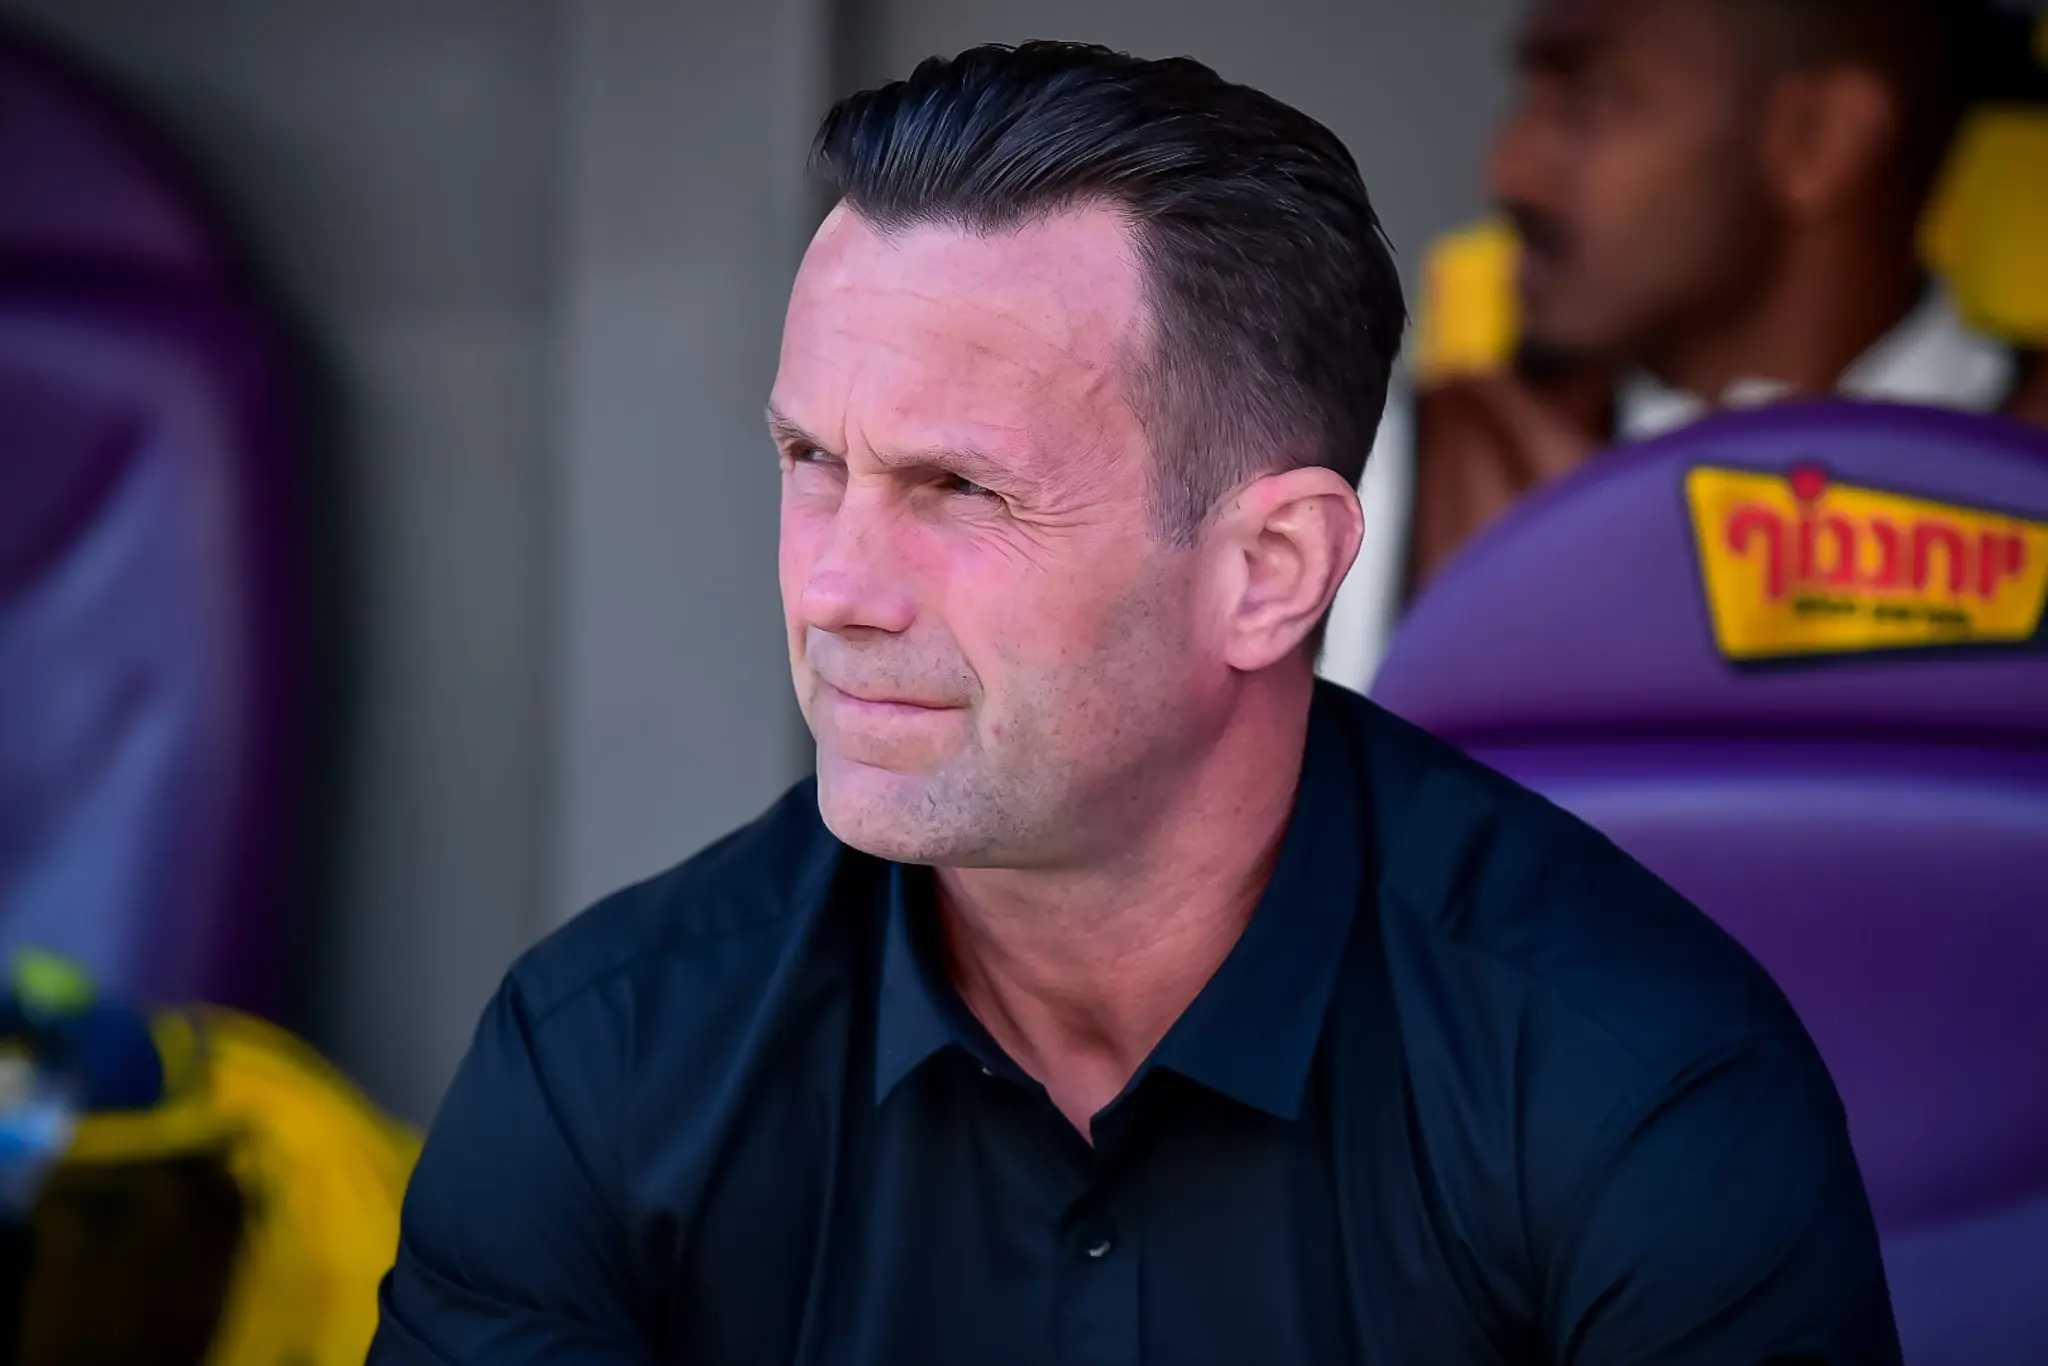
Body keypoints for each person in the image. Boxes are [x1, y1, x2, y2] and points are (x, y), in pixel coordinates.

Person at [370, 42, 1900, 1365]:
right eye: (811, 461)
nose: (835, 587)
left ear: (1270, 570)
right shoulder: (603, 1060)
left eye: (959, 488)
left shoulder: (1638, 1085)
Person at [1321, 0, 2031, 693]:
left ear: (1816, 137)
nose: (1509, 169)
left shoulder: (2031, 465)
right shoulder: (1399, 476)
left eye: (1590, 94)